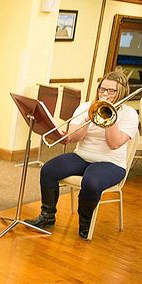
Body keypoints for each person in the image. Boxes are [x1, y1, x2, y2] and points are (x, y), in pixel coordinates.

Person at [27, 71, 138, 239]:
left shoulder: (129, 114)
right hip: (82, 156)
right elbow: (72, 138)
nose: (105, 94)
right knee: (49, 170)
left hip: (111, 163)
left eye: (111, 91)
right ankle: (47, 215)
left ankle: (85, 224)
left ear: (121, 92)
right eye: (102, 89)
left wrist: (109, 117)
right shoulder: (86, 107)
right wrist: (88, 118)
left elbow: (114, 143)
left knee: (92, 182)